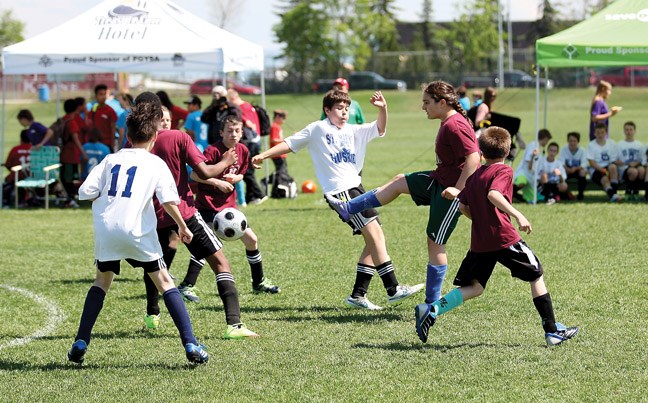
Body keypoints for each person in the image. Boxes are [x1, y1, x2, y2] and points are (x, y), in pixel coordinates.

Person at [67, 92, 209, 365]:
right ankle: (191, 345)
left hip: (107, 230)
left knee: (101, 282)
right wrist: (182, 226)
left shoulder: (109, 160)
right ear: (155, 136)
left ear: (128, 136)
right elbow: (169, 200)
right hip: (137, 231)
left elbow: (85, 192)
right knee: (165, 282)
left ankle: (81, 341)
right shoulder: (155, 163)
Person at [252, 90, 423, 310]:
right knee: (376, 237)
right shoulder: (318, 129)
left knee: (374, 241)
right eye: (339, 109)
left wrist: (383, 108)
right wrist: (263, 155)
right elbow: (289, 143)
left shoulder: (353, 130)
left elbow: (379, 128)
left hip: (357, 188)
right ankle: (393, 288)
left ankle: (358, 295)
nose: (344, 113)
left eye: (346, 109)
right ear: (327, 110)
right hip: (341, 192)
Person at [414, 126, 579, 347]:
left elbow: (462, 206)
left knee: (476, 287)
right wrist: (517, 214)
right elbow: (493, 194)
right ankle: (552, 331)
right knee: (536, 274)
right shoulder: (504, 171)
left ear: (481, 152)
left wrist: (480, 219)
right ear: (508, 150)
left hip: (481, 242)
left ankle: (431, 309)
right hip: (503, 238)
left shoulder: (475, 176)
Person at [325, 81, 481, 306]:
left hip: (452, 193)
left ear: (443, 102)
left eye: (427, 102)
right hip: (438, 181)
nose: (423, 107)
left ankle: (431, 304)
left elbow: (474, 158)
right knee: (400, 181)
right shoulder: (448, 121)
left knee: (435, 243)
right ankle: (348, 207)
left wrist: (459, 189)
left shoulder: (454, 124)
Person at [141, 93, 259, 340]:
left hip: (153, 214)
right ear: (155, 118)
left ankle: (152, 313)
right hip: (182, 211)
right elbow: (203, 172)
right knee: (220, 262)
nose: (166, 123)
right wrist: (226, 161)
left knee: (156, 264)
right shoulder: (179, 137)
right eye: (162, 119)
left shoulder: (136, 144)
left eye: (168, 119)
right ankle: (234, 326)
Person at [177, 115, 280, 303]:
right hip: (207, 207)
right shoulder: (212, 150)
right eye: (230, 131)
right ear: (221, 132)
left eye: (237, 131)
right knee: (206, 247)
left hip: (229, 209)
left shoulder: (242, 150)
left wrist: (235, 179)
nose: (234, 134)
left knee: (252, 240)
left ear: (242, 132)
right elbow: (195, 174)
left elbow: (241, 173)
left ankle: (258, 282)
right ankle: (186, 285)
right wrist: (216, 182)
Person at [227, 89, 267, 205]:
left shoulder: (241, 108)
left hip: (251, 140)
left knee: (246, 170)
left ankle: (259, 194)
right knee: (248, 169)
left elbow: (249, 123)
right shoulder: (248, 105)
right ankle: (251, 197)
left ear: (233, 98)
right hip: (256, 139)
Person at [59, 99, 88, 208]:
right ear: (76, 108)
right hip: (71, 154)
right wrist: (83, 153)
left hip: (64, 153)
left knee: (66, 178)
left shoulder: (63, 119)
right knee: (70, 178)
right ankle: (70, 199)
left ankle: (69, 198)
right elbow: (76, 137)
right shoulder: (72, 121)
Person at [513, 129, 552, 203]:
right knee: (521, 183)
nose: (547, 142)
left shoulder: (537, 147)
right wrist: (533, 157)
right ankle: (507, 193)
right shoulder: (533, 146)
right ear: (545, 138)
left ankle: (514, 196)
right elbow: (528, 160)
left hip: (530, 176)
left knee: (533, 199)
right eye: (547, 140)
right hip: (523, 173)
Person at [587, 122, 622, 202]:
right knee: (604, 178)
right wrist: (603, 170)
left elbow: (613, 160)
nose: (600, 134)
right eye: (598, 132)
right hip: (596, 169)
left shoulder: (611, 143)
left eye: (602, 132)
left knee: (613, 167)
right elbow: (591, 162)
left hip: (608, 167)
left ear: (606, 133)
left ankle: (614, 193)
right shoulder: (591, 145)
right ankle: (612, 195)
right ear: (594, 133)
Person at [615, 121, 645, 200]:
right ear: (624, 131)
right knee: (633, 171)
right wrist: (624, 163)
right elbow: (615, 159)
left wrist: (636, 163)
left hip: (636, 166)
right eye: (627, 130)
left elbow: (642, 159)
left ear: (634, 131)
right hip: (624, 168)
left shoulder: (639, 145)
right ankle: (628, 191)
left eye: (631, 130)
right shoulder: (619, 144)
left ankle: (636, 191)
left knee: (641, 170)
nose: (629, 132)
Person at [2, 130, 31, 207]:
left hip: (16, 177)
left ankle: (6, 202)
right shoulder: (36, 149)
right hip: (33, 177)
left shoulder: (15, 149)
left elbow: (8, 164)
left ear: (21, 139)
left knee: (8, 181)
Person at [87, 84, 118, 152]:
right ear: (96, 96)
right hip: (95, 144)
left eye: (104, 94)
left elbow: (113, 129)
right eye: (101, 94)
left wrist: (112, 145)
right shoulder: (93, 109)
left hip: (107, 144)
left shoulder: (110, 111)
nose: (103, 97)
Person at [560, 132, 588, 201]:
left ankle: (580, 195)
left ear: (578, 141)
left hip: (577, 170)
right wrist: (568, 169)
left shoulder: (582, 150)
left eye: (574, 141)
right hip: (567, 170)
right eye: (570, 141)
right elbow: (561, 163)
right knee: (560, 173)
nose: (572, 143)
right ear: (568, 141)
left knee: (583, 172)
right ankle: (564, 194)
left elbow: (584, 164)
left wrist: (575, 168)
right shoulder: (563, 149)